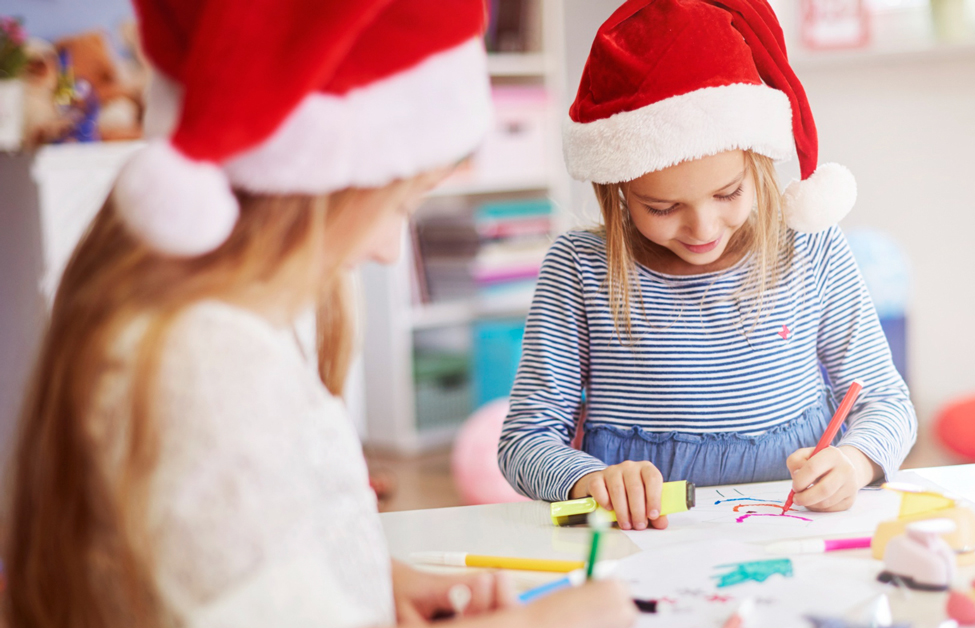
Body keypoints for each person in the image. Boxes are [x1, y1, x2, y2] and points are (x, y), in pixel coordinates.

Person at [2, 1, 634, 627]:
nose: (390, 251)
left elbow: (252, 556)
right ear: (309, 182)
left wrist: (384, 583)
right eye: (398, 207)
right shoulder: (207, 366)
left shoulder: (219, 330)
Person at [498, 0, 917, 532]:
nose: (702, 228)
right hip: (644, 542)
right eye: (663, 208)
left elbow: (886, 402)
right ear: (616, 188)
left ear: (758, 162)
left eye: (728, 193)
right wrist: (589, 480)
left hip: (792, 534)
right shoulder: (579, 269)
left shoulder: (812, 247)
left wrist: (854, 464)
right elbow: (524, 440)